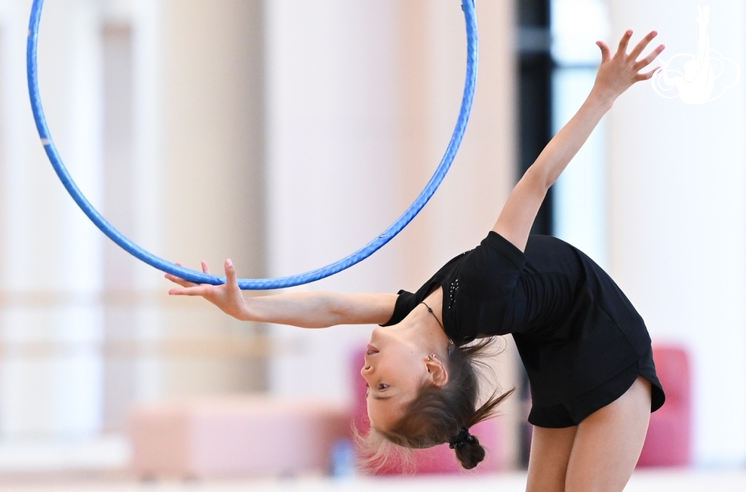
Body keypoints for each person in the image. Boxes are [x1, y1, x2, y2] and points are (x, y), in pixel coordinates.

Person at [166, 30, 666, 491]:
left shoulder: (420, 313)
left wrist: (248, 309)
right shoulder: (479, 294)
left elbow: (334, 308)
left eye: (371, 390)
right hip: (609, 349)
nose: (366, 377)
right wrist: (605, 92)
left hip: (561, 350)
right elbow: (535, 182)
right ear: (434, 369)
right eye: (384, 386)